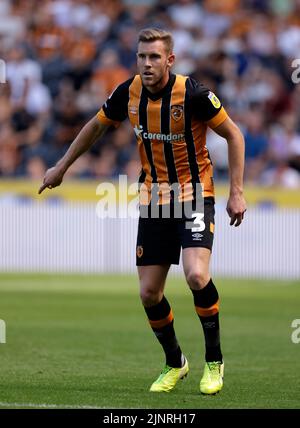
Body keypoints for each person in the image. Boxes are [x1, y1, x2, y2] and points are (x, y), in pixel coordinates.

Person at [39, 28, 247, 395]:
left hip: (195, 193)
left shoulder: (194, 93)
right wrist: (61, 167)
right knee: (149, 293)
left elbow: (234, 134)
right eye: (141, 56)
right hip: (154, 199)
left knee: (197, 275)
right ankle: (175, 363)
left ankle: (214, 361)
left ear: (170, 60)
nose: (147, 64)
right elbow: (95, 128)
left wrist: (237, 192)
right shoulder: (128, 92)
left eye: (154, 57)